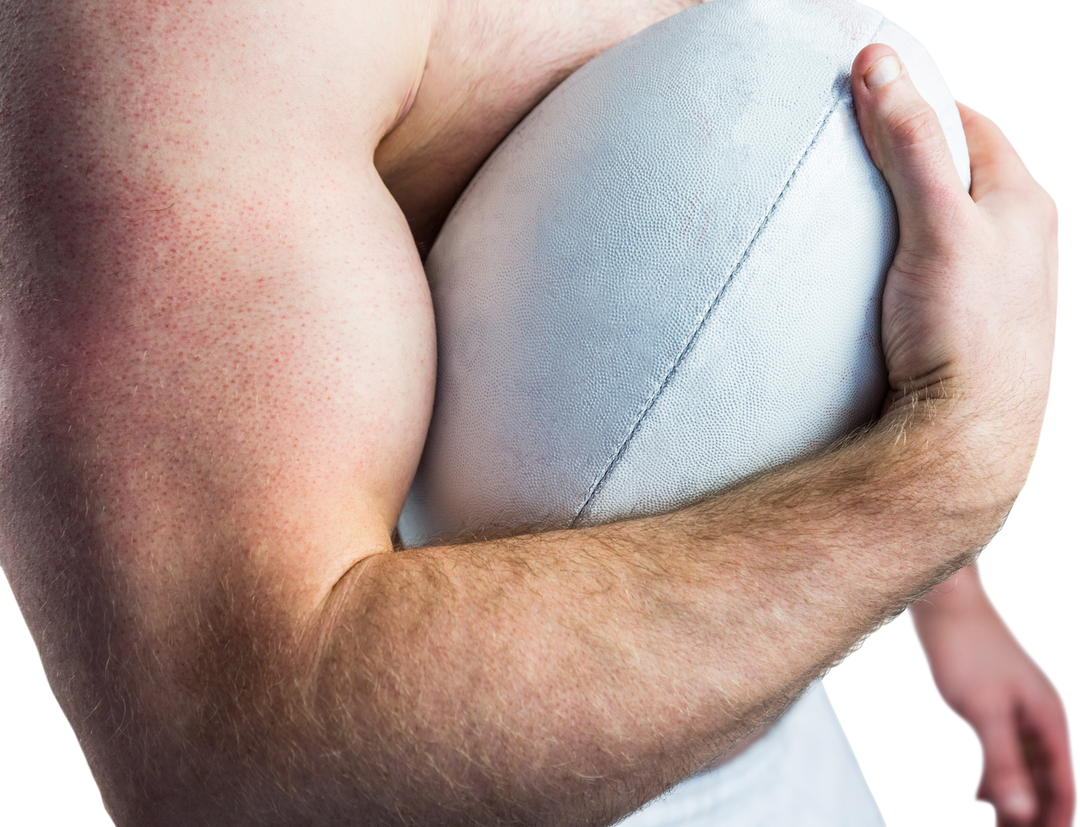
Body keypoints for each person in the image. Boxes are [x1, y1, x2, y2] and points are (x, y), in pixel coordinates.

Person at [0, 2, 1069, 826]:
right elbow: (223, 747)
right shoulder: (198, 32)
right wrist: (947, 477)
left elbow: (698, 304)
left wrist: (946, 600)